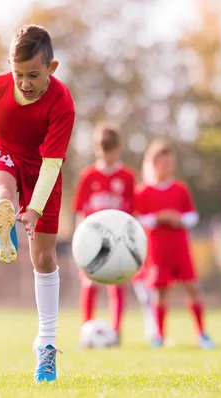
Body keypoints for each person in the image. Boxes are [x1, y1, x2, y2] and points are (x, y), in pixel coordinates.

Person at [0, 24, 75, 382]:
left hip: (43, 170)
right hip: (5, 154)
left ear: (51, 69)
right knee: (2, 191)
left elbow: (52, 163)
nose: (24, 83)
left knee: (44, 258)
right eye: (18, 73)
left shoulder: (62, 103)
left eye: (33, 75)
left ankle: (46, 345)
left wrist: (34, 208)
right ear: (9, 65)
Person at [135, 140, 215, 349]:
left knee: (193, 288)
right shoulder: (143, 191)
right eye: (163, 163)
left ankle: (202, 334)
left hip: (180, 249)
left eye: (170, 163)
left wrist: (179, 219)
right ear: (153, 164)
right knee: (161, 293)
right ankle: (159, 335)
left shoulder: (180, 189)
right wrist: (160, 218)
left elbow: (192, 216)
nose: (168, 167)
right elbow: (139, 219)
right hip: (158, 251)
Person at [73, 124, 135, 347]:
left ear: (118, 149)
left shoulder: (127, 176)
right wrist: (80, 242)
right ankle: (86, 330)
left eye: (111, 151)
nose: (107, 156)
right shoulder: (88, 176)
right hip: (92, 243)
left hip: (118, 243)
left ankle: (116, 333)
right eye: (102, 151)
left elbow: (132, 212)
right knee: (89, 285)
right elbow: (81, 211)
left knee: (117, 285)